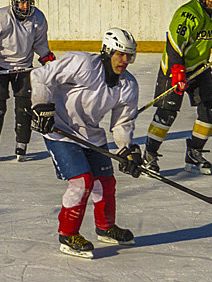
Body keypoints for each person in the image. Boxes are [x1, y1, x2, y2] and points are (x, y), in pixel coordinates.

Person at [30, 27, 142, 259]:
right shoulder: (82, 64)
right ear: (107, 52)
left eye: (128, 56)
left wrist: (126, 149)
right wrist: (41, 105)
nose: (124, 60)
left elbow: (122, 122)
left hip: (90, 133)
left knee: (106, 182)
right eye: (120, 54)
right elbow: (41, 76)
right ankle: (68, 234)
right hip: (60, 129)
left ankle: (105, 227)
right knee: (82, 181)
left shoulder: (128, 85)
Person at [143, 0, 212, 175]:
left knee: (210, 109)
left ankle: (194, 153)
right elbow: (174, 43)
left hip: (198, 68)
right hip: (175, 68)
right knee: (167, 114)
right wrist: (177, 70)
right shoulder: (188, 14)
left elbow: (207, 36)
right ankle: (148, 156)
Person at [0, 0, 56, 162]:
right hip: (0, 67)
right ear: (13, 3)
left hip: (24, 66)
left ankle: (22, 142)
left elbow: (40, 44)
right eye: (20, 3)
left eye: (27, 3)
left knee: (24, 107)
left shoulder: (38, 18)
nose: (24, 7)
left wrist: (47, 59)